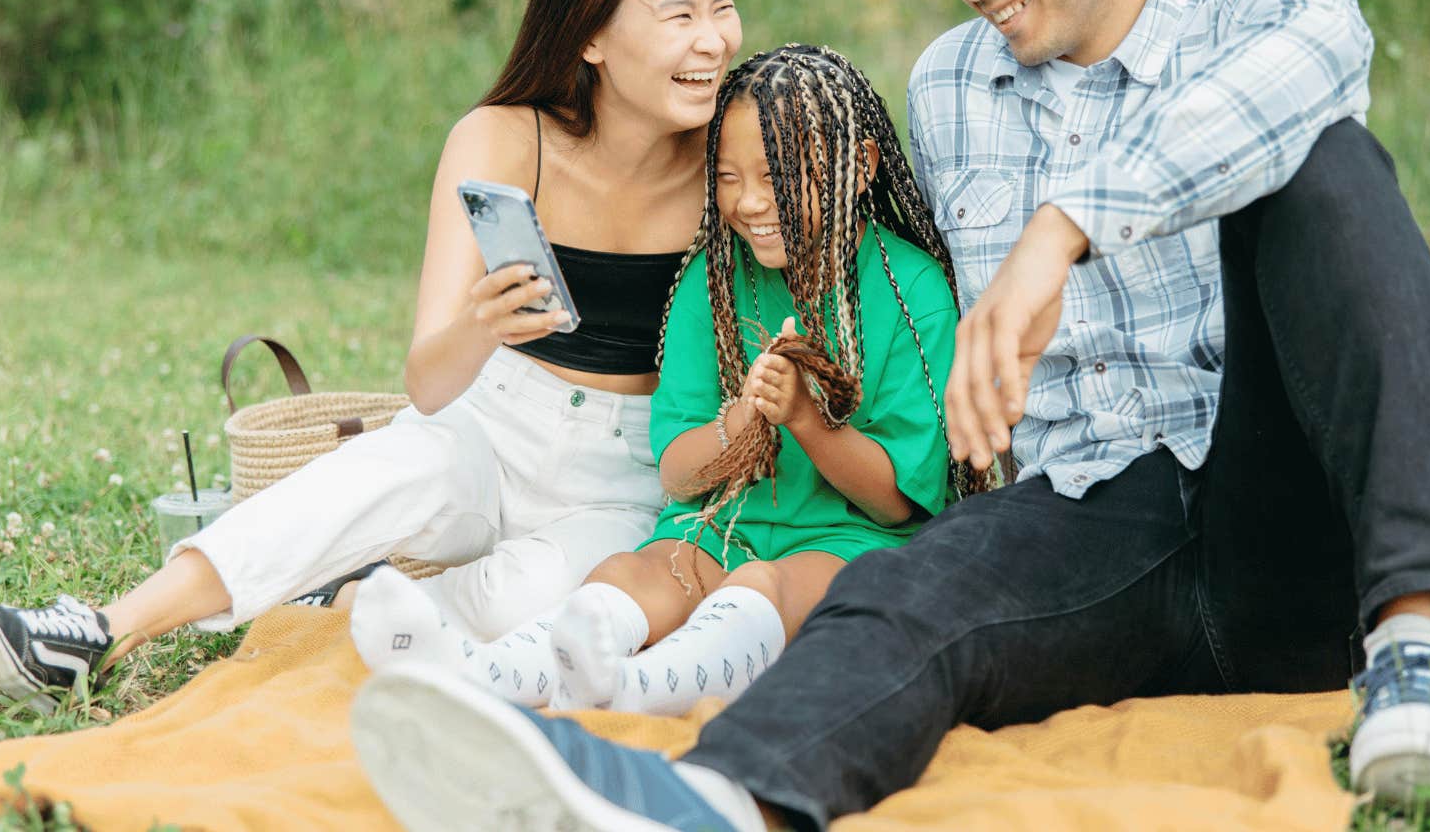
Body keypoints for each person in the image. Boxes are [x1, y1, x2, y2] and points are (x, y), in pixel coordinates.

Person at [341, 0, 1430, 832]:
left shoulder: (1270, 6)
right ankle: (705, 802)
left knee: (1331, 166)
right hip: (1095, 515)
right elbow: (873, 270)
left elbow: (1290, 96)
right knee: (896, 590)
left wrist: (1063, 229)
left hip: (1293, 512)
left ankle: (1425, 647)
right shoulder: (956, 82)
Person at [0, 0, 745, 715]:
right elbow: (430, 386)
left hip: (624, 477)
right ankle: (94, 633)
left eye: (721, 7)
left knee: (518, 614)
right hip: (492, 420)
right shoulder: (504, 137)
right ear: (590, 35)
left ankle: (353, 605)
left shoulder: (732, 165)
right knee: (377, 475)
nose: (712, 39)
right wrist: (480, 325)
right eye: (678, 14)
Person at [346, 44, 970, 719]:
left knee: (765, 585)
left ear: (861, 167)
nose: (751, 201)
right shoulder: (714, 284)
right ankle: (495, 670)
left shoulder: (914, 292)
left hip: (851, 545)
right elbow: (677, 475)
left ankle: (632, 691)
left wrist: (804, 420)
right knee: (639, 573)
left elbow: (895, 505)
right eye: (728, 176)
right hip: (715, 528)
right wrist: (743, 422)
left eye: (778, 174)